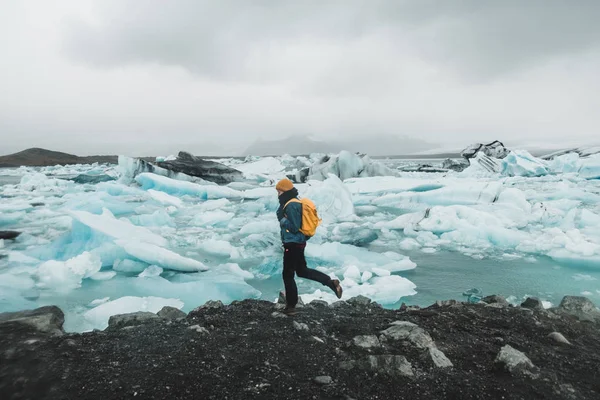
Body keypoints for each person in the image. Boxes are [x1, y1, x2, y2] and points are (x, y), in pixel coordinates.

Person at [275, 178, 342, 315]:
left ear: (285, 191)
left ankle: (291, 306)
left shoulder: (292, 205)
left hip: (293, 244)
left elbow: (294, 227)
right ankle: (331, 283)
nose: (278, 194)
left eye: (279, 191)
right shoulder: (292, 202)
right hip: (297, 243)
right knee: (302, 270)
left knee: (288, 274)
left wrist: (282, 219)